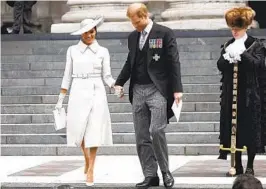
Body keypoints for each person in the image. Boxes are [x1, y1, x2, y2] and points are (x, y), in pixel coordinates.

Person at [114, 3, 183, 188]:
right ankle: (150, 175)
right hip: (137, 90)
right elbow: (130, 62)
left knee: (156, 130)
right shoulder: (133, 37)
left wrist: (177, 89)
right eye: (132, 23)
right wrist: (119, 82)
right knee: (141, 135)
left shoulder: (165, 33)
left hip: (157, 90)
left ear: (145, 16)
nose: (134, 26)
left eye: (136, 22)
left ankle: (165, 171)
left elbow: (173, 61)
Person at [55, 16, 115, 186]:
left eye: (92, 31)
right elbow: (67, 75)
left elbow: (107, 76)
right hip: (78, 88)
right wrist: (60, 99)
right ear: (81, 34)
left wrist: (115, 86)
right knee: (78, 128)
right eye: (86, 32)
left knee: (94, 129)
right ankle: (86, 158)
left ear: (96, 31)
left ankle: (91, 169)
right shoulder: (72, 50)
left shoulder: (103, 51)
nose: (89, 35)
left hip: (97, 89)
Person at [217, 7, 266, 176]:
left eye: (237, 29)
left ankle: (250, 166)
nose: (234, 32)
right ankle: (236, 164)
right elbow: (220, 66)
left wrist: (242, 54)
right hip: (231, 94)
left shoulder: (255, 44)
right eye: (232, 29)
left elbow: (257, 64)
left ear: (245, 27)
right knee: (233, 129)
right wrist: (227, 57)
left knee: (249, 129)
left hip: (250, 94)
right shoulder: (228, 44)